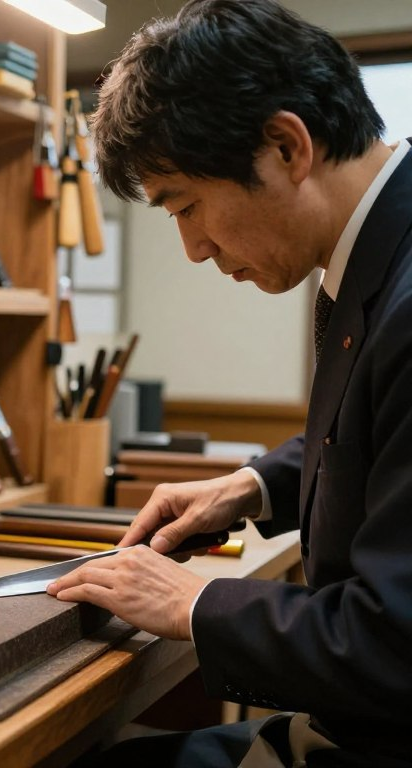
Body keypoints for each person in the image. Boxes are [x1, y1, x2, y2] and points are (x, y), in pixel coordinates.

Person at [45, 1, 412, 765]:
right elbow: (384, 427)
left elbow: (394, 645)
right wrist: (254, 485)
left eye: (187, 205)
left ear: (285, 146)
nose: (194, 247)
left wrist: (197, 602)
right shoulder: (381, 252)